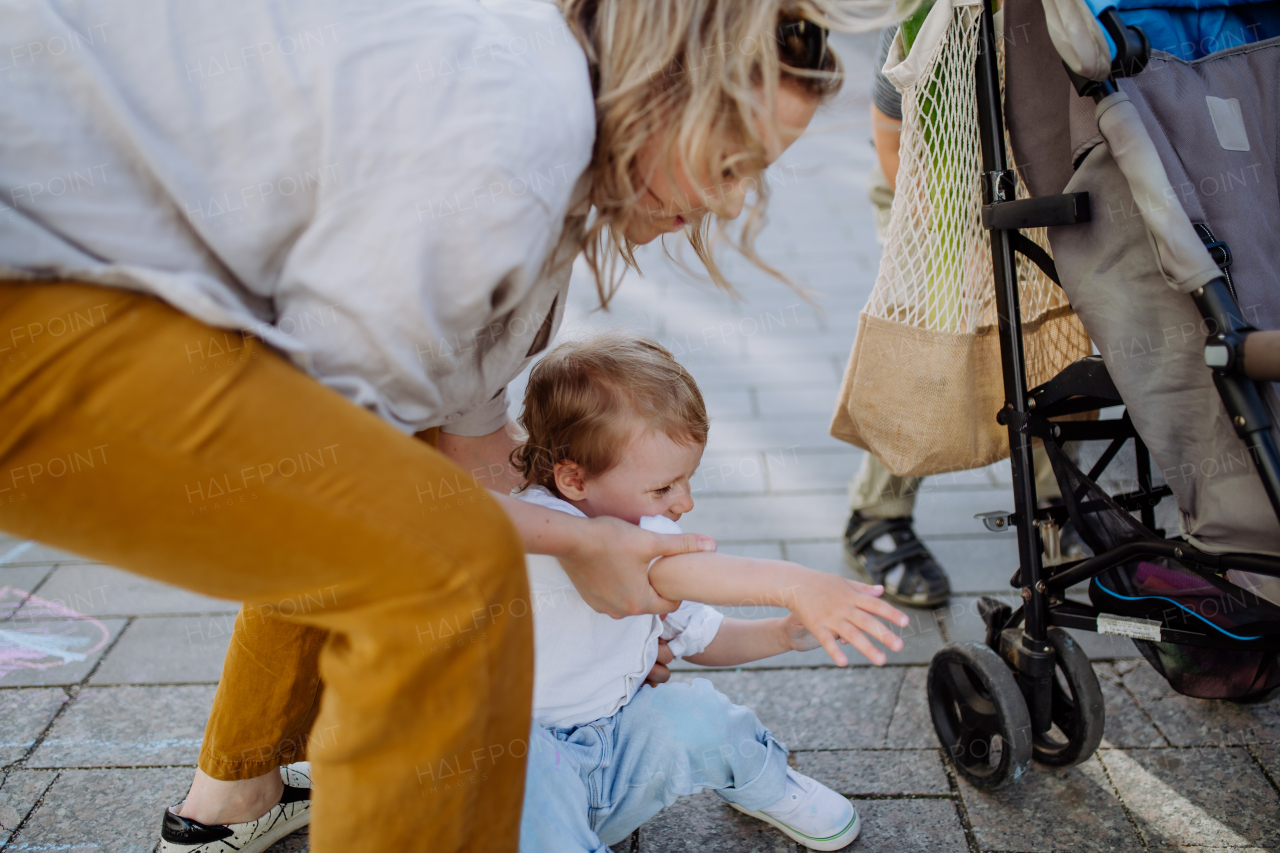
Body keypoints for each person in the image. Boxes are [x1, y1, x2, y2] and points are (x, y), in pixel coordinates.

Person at [0, 1, 890, 850]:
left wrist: (599, 618)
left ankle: (240, 794)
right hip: (32, 261)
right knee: (442, 573)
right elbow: (349, 470)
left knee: (409, 553)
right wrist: (582, 548)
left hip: (80, 268)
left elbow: (466, 447)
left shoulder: (544, 145)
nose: (736, 203)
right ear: (667, 90)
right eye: (732, 160)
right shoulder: (510, 157)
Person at [508, 332, 909, 851]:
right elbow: (687, 575)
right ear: (573, 480)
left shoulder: (640, 524)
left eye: (688, 480)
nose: (685, 503)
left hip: (617, 751)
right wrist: (799, 585)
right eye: (664, 488)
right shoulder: (546, 530)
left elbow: (703, 635)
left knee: (700, 716)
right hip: (532, 777)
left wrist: (785, 634)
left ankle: (763, 781)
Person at [842, 25, 1060, 607]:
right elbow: (889, 135)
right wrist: (953, 252)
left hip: (1046, 180)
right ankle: (876, 513)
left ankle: (1057, 502)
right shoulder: (935, 13)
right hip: (927, 179)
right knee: (932, 339)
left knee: (1056, 338)